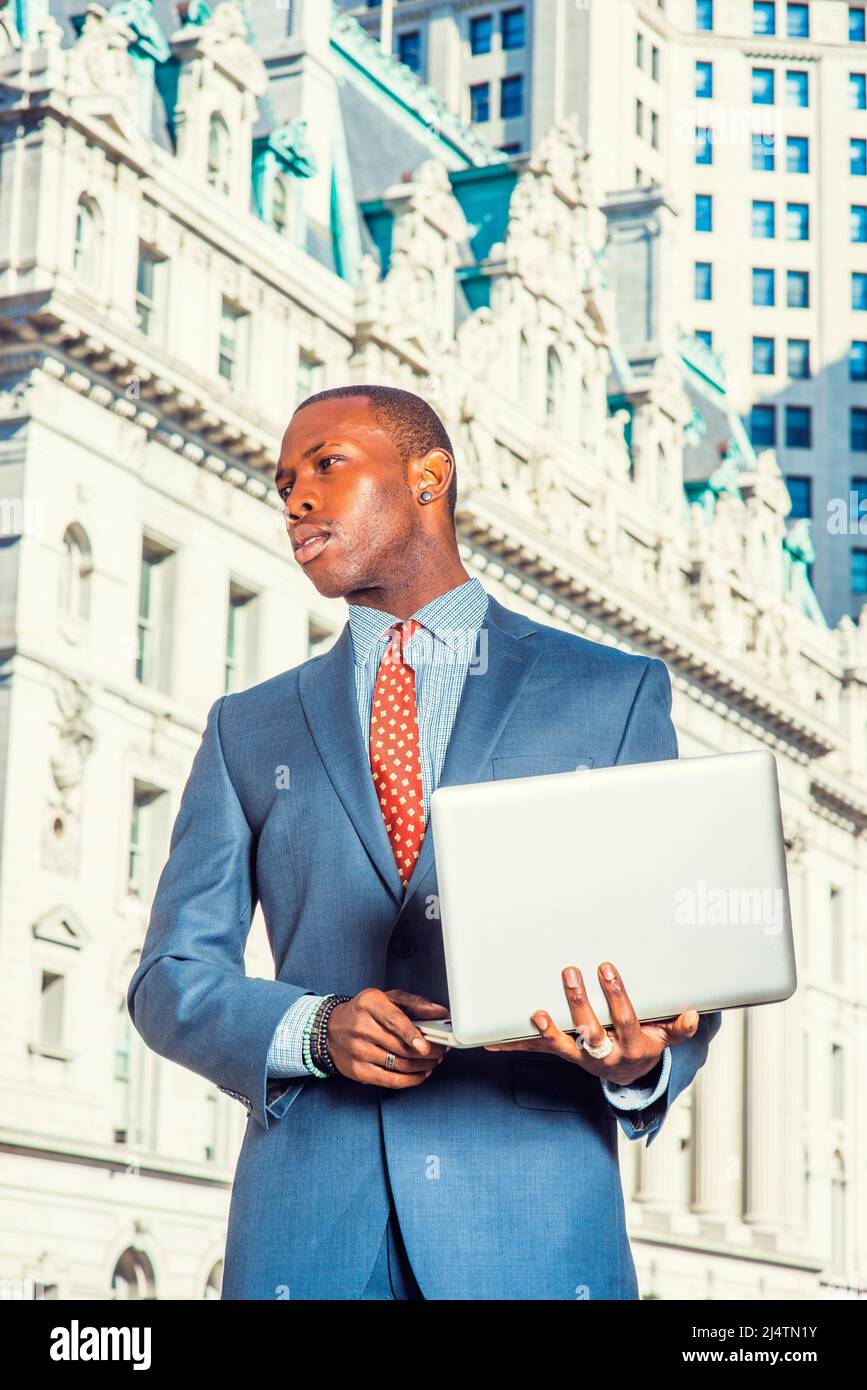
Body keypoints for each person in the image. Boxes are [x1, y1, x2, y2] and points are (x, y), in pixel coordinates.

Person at [127, 385, 721, 1300]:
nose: (295, 498)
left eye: (326, 465)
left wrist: (639, 1059)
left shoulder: (611, 694)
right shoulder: (248, 728)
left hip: (532, 1240)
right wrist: (312, 1030)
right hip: (308, 1239)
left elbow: (681, 976)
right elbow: (167, 978)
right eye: (282, 481)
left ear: (429, 477)